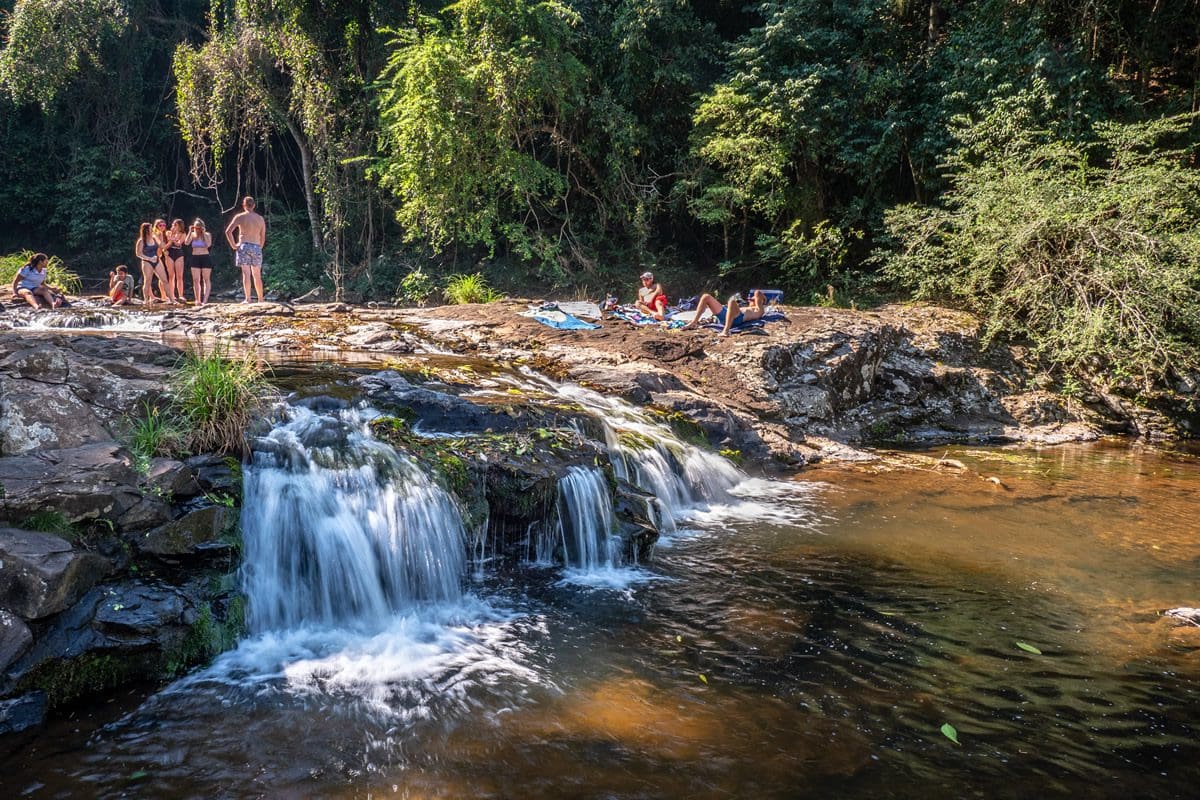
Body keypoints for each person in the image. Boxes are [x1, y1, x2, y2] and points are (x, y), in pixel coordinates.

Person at [225, 195, 266, 303]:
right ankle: (260, 299)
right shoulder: (260, 218)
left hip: (244, 245)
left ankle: (248, 299)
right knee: (257, 274)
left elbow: (228, 231)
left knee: (246, 273)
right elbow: (263, 236)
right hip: (256, 246)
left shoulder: (240, 217)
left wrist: (234, 245)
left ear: (244, 205)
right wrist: (259, 247)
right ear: (254, 205)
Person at [682, 289, 768, 336]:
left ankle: (725, 331)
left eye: (753, 298)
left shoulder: (759, 310)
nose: (751, 298)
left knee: (731, 301)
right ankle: (693, 322)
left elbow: (757, 292)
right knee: (706, 296)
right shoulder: (748, 307)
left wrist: (763, 298)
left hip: (736, 319)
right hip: (726, 315)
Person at [134, 222, 170, 303]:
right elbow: (138, 253)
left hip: (156, 260)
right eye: (150, 229)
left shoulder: (154, 237)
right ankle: (146, 300)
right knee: (147, 281)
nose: (152, 230)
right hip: (147, 261)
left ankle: (172, 299)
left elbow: (162, 246)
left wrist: (161, 238)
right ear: (146, 230)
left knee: (164, 280)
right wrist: (149, 259)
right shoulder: (141, 241)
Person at [188, 218, 214, 306]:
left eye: (199, 228)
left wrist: (203, 234)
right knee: (196, 279)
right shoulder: (192, 235)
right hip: (195, 257)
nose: (197, 229)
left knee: (206, 279)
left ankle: (205, 300)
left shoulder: (207, 234)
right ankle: (197, 299)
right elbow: (186, 242)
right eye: (195, 227)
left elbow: (208, 244)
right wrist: (189, 231)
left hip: (205, 257)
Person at [164, 218, 188, 303]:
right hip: (170, 253)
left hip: (178, 253)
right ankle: (172, 295)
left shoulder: (183, 234)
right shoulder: (168, 232)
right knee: (171, 276)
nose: (174, 226)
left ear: (179, 226)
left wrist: (174, 239)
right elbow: (169, 242)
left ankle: (181, 295)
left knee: (179, 276)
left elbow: (179, 243)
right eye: (173, 225)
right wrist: (172, 236)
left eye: (176, 225)